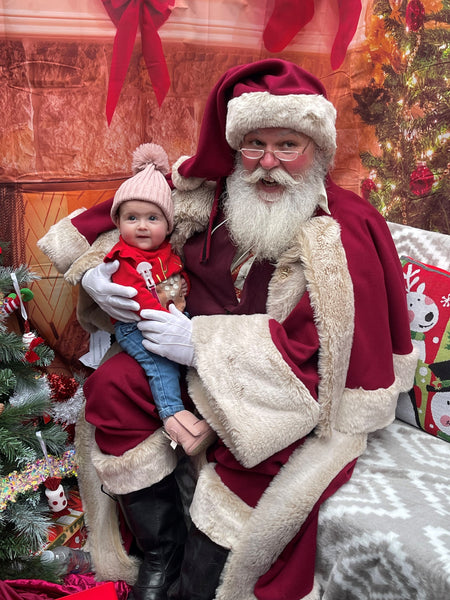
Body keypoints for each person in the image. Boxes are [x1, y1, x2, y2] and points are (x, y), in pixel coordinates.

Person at [38, 59, 417, 600]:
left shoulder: (342, 231)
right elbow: (125, 218)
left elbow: (323, 361)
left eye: (287, 144)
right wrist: (97, 276)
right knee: (112, 386)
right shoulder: (208, 193)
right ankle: (159, 558)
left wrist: (201, 343)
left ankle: (196, 585)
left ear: (317, 149)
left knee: (254, 459)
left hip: (273, 387)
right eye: (253, 144)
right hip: (184, 364)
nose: (267, 162)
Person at [105, 142, 215, 456]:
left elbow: (178, 283)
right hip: (137, 325)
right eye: (132, 218)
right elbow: (135, 295)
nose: (142, 225)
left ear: (167, 226)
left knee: (202, 348)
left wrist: (178, 303)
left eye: (152, 218)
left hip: (168, 317)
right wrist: (163, 312)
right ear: (118, 223)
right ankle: (176, 421)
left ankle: (213, 412)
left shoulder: (167, 254)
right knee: (160, 364)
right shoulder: (121, 256)